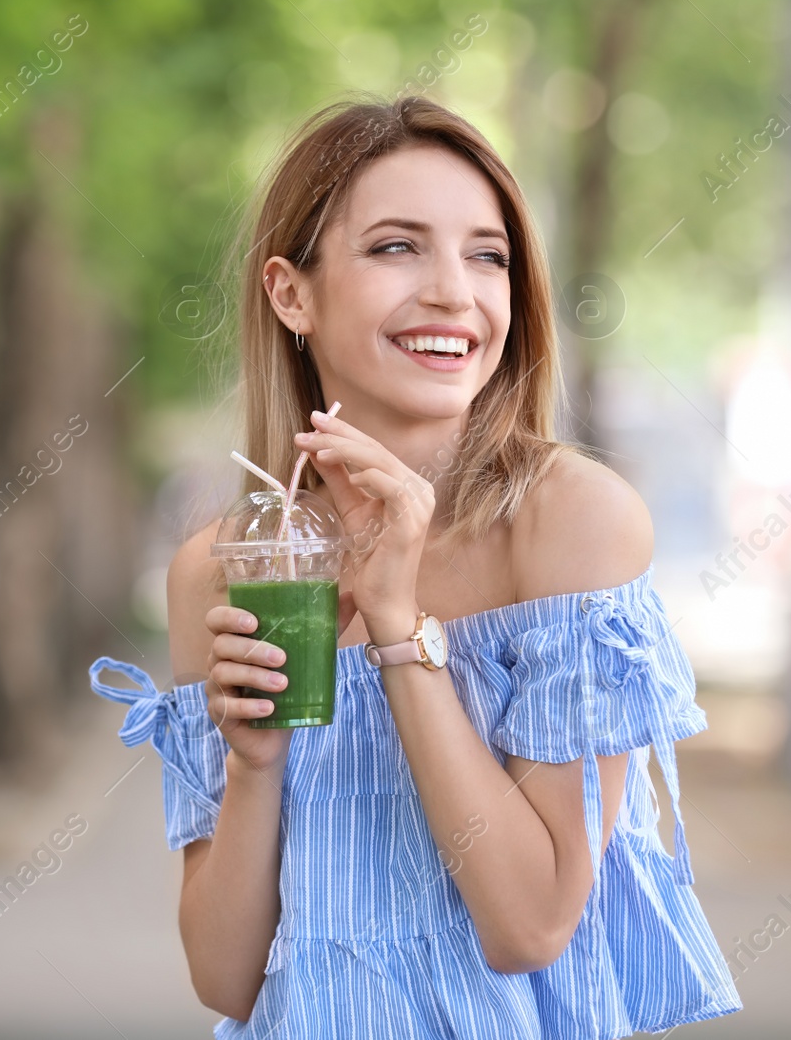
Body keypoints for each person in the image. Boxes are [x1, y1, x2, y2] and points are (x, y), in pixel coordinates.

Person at [90, 94, 742, 1037]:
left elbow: (531, 922)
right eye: (398, 247)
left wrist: (397, 625)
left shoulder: (568, 523)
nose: (453, 291)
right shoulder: (229, 568)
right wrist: (256, 764)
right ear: (291, 293)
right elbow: (225, 977)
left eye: (488, 255)